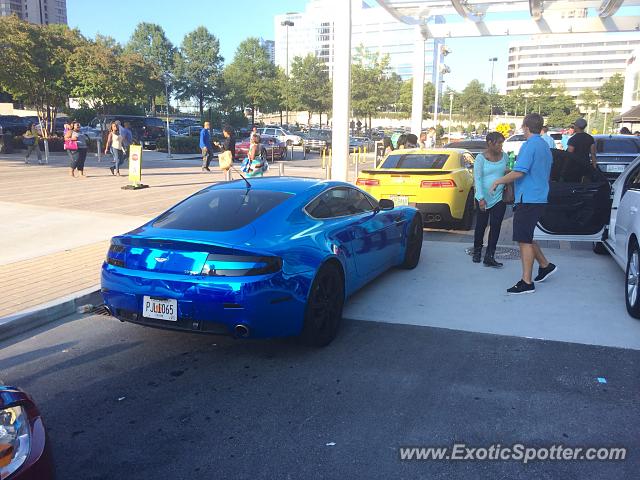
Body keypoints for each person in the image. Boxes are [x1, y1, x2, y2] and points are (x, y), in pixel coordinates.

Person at [490, 113, 556, 295]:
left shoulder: (529, 145)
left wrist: (499, 181)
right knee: (525, 235)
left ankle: (527, 282)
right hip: (538, 196)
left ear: (526, 127)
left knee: (523, 239)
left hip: (528, 198)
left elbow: (520, 172)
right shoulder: (544, 145)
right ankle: (545, 265)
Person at [472, 132, 508, 267]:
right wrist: (481, 198)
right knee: (481, 225)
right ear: (489, 143)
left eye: (501, 143)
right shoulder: (481, 159)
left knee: (496, 225)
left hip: (499, 197)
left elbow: (507, 173)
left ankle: (490, 255)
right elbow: (478, 179)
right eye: (498, 143)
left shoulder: (504, 156)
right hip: (483, 198)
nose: (500, 146)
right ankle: (477, 251)